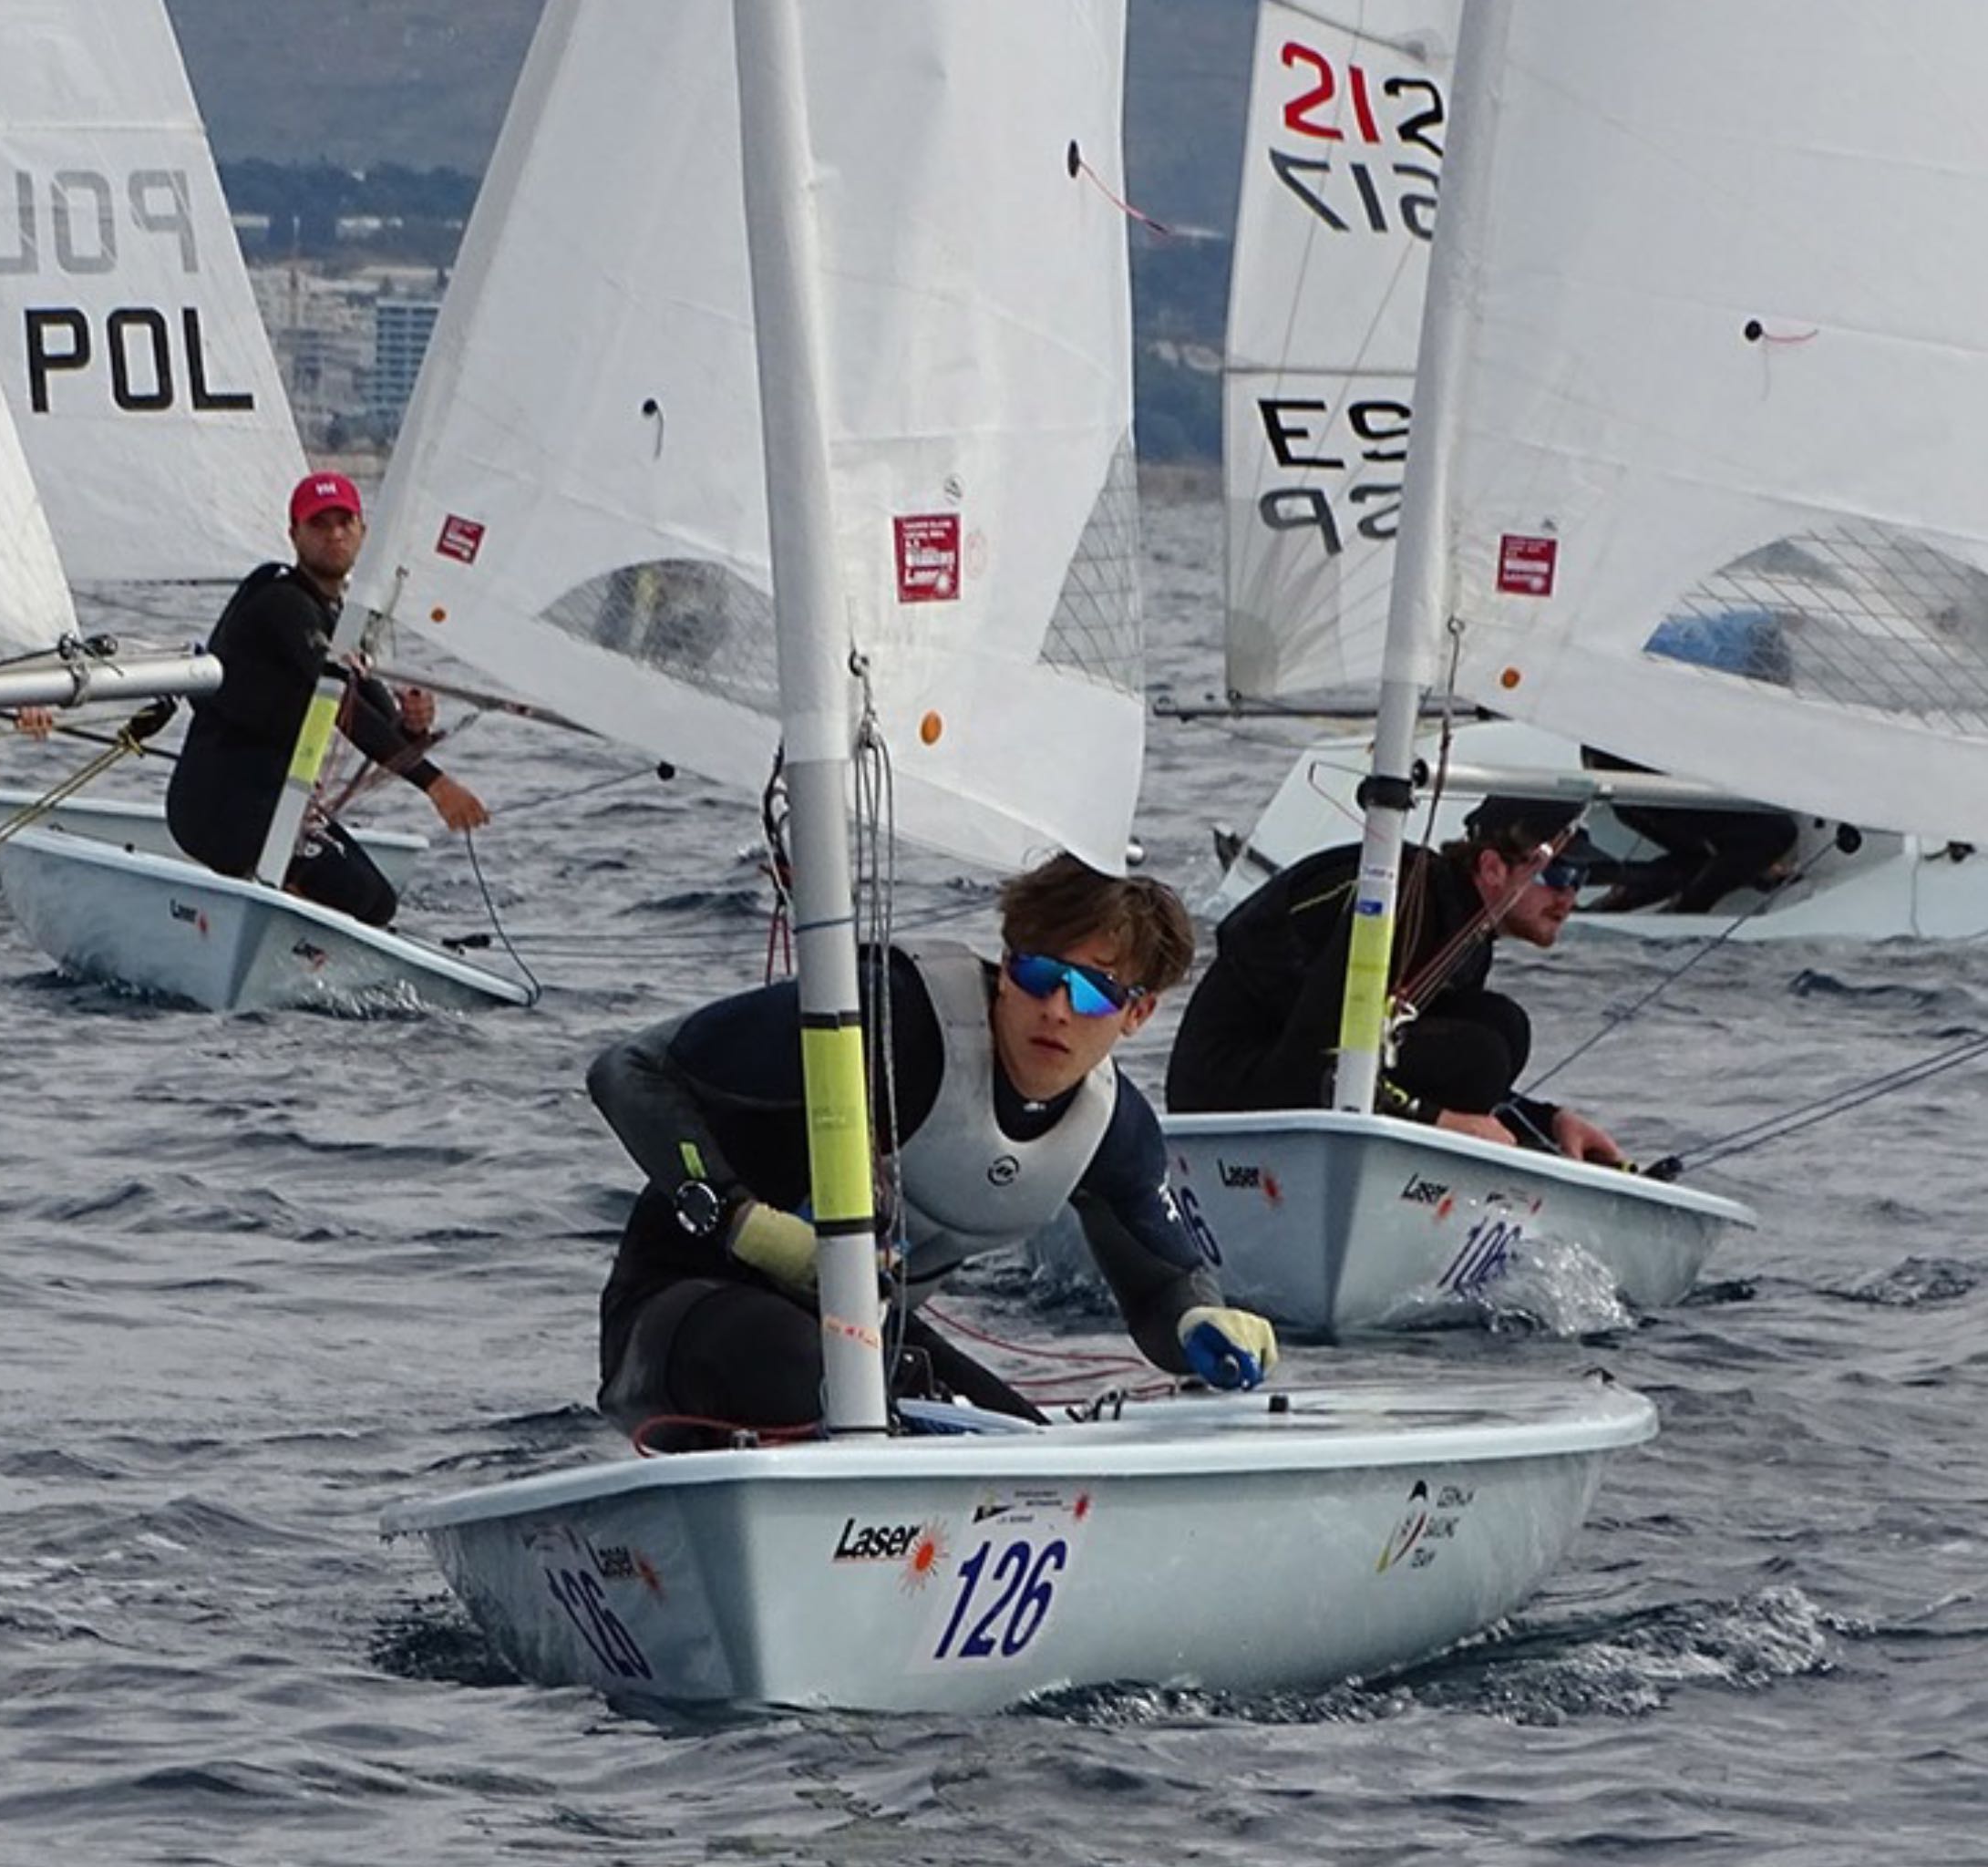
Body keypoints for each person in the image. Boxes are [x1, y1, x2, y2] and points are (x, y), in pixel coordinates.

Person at [586, 852, 1281, 1442]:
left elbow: (1162, 1287)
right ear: (1004, 966)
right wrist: (742, 1221)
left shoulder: (1111, 1127)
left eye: (1093, 991)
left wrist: (1200, 1324)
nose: (1056, 1009)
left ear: (1138, 1012)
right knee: (821, 1385)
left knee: (1025, 1450)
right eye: (1038, 975)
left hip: (864, 1341)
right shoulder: (891, 1016)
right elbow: (628, 1070)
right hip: (678, 1317)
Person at [1166, 795, 1626, 1163]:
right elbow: (1316, 1060)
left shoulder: (1467, 934)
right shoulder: (1398, 903)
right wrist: (1439, 1120)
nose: (1569, 895)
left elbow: (1400, 1061)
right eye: (1559, 874)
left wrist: (1547, 1122)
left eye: (1582, 878)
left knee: (1503, 1026)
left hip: (1306, 1082)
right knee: (1482, 1053)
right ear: (1492, 868)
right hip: (1224, 1098)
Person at [164, 470, 489, 926]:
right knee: (359, 899)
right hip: (217, 805)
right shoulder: (280, 601)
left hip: (278, 802)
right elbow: (341, 706)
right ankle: (267, 937)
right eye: (319, 524)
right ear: (294, 534)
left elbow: (379, 722)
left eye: (344, 522)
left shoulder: (342, 619)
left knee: (377, 903)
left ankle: (288, 940)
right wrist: (435, 785)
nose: (334, 534)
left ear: (363, 531)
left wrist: (413, 727)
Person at [1579, 748, 1798, 916]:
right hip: (1641, 770)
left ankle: (1616, 903)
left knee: (1716, 857)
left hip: (1622, 769)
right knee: (1771, 834)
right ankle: (1684, 912)